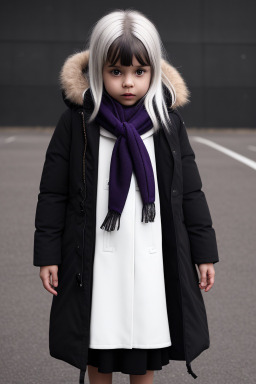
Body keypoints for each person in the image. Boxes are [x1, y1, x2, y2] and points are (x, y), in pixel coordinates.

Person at [33, 8, 219, 384]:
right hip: (96, 260)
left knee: (146, 342)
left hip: (151, 258)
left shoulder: (167, 123)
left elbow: (191, 194)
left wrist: (204, 253)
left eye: (139, 71)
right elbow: (52, 193)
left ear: (153, 71)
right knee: (98, 340)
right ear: (99, 69)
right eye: (116, 72)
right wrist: (48, 255)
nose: (128, 83)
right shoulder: (77, 122)